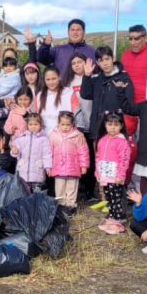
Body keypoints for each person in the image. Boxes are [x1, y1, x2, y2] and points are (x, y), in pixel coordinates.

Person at [81, 46, 134, 141]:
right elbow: (85, 95)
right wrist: (87, 76)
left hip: (115, 129)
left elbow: (128, 104)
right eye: (101, 60)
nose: (105, 63)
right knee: (98, 151)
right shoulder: (96, 78)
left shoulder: (124, 77)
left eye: (107, 59)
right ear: (97, 63)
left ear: (113, 58)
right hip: (97, 128)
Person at [63, 53, 94, 201]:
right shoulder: (67, 82)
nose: (76, 65)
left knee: (89, 158)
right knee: (75, 158)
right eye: (73, 63)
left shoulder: (92, 78)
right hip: (74, 127)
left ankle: (89, 190)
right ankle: (77, 188)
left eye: (79, 62)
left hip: (90, 124)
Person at [48, 111, 89, 217]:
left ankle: (70, 206)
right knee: (59, 188)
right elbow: (49, 152)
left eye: (68, 124)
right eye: (63, 124)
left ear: (72, 124)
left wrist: (83, 165)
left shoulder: (77, 136)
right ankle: (61, 207)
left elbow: (83, 151)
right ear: (58, 123)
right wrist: (48, 166)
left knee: (72, 188)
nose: (65, 127)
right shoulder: (53, 135)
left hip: (73, 168)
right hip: (58, 168)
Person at [96, 114, 131, 235]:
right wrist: (97, 172)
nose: (112, 127)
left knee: (116, 198)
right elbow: (98, 157)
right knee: (109, 197)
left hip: (115, 176)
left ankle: (117, 220)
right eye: (110, 124)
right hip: (105, 174)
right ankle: (111, 218)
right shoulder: (102, 140)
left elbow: (124, 159)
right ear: (105, 125)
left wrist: (120, 175)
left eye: (116, 125)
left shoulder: (122, 141)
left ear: (121, 126)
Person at [10, 112, 51, 193]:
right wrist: (15, 151)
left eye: (36, 124)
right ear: (27, 125)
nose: (33, 127)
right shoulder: (21, 138)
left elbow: (46, 154)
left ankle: (37, 201)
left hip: (37, 172)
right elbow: (16, 152)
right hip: (23, 172)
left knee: (37, 194)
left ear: (40, 125)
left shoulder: (43, 139)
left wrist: (48, 166)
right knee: (23, 193)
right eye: (31, 124)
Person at [36, 66, 79, 136]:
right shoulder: (39, 96)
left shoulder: (69, 93)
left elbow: (78, 115)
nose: (51, 82)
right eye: (48, 79)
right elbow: (34, 118)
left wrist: (80, 131)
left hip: (65, 137)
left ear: (59, 77)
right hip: (44, 136)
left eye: (54, 78)